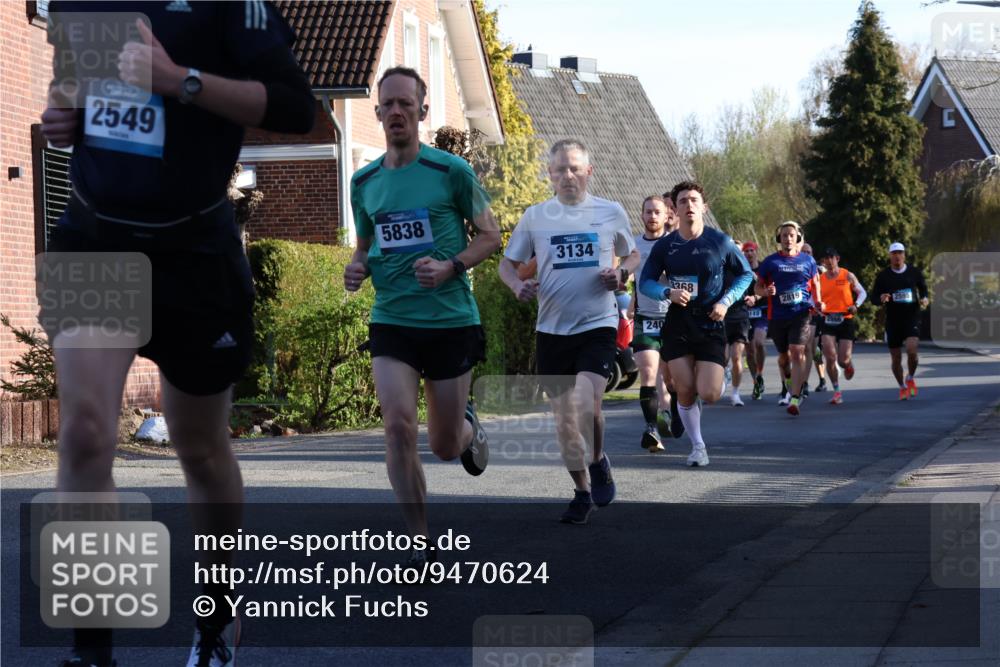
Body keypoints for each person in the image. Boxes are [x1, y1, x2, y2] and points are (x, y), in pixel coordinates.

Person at [39, 3, 315, 666]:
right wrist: (62, 116)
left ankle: (216, 614)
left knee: (199, 447)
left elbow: (294, 108)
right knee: (83, 431)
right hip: (96, 238)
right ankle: (92, 650)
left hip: (194, 252)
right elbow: (71, 87)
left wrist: (179, 79)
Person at [344, 67, 501, 559]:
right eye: (387, 104)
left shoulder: (450, 172)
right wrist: (356, 267)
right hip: (392, 319)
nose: (395, 112)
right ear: (377, 114)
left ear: (422, 113)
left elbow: (490, 235)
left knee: (445, 446)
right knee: (396, 425)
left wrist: (452, 265)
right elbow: (366, 247)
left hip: (450, 320)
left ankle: (469, 430)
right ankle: (417, 538)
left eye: (405, 105)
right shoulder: (364, 181)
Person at [499, 139, 639, 523]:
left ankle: (597, 459)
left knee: (584, 403)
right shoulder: (536, 217)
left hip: (597, 324)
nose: (568, 175)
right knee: (563, 420)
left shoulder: (609, 212)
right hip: (551, 329)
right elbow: (506, 265)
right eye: (560, 169)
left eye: (575, 168)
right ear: (550, 174)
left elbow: (633, 253)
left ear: (588, 172)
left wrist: (621, 273)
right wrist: (517, 286)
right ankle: (581, 491)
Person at [639, 181, 753, 467]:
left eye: (693, 200)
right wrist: (667, 292)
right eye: (682, 201)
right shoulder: (666, 246)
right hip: (678, 322)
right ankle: (698, 447)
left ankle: (721, 374)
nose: (688, 205)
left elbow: (745, 275)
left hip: (711, 322)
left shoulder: (720, 242)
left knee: (710, 394)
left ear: (703, 207)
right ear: (673, 209)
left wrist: (726, 302)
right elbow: (646, 282)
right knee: (685, 388)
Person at [755, 222, 823, 416]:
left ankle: (795, 398)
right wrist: (766, 292)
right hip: (777, 316)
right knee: (784, 358)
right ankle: (788, 379)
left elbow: (816, 282)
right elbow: (757, 288)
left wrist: (818, 302)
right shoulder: (770, 262)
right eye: (784, 235)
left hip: (801, 313)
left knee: (797, 351)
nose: (788, 238)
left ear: (798, 238)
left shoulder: (807, 261)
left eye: (791, 235)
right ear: (780, 239)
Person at [630, 195, 680, 452]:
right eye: (647, 212)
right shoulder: (634, 246)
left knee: (672, 380)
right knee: (649, 372)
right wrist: (629, 303)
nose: (652, 216)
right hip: (646, 317)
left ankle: (671, 412)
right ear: (642, 215)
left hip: (673, 317)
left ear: (665, 216)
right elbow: (630, 279)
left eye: (656, 212)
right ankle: (651, 429)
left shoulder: (674, 244)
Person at [872, 242, 929, 400]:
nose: (897, 256)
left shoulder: (913, 272)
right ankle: (902, 386)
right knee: (896, 358)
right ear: (890, 256)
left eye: (900, 253)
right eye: (894, 253)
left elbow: (923, 288)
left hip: (911, 317)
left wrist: (924, 298)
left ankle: (910, 377)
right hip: (893, 320)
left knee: (912, 350)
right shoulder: (883, 276)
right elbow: (874, 297)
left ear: (904, 255)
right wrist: (881, 298)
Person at [818, 248, 867, 404]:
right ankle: (837, 391)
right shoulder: (820, 279)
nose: (829, 261)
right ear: (823, 261)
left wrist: (856, 305)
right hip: (828, 320)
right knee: (830, 357)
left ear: (837, 259)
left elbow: (862, 293)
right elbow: (813, 297)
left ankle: (848, 364)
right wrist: (818, 307)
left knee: (842, 361)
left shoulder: (847, 275)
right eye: (826, 258)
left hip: (845, 319)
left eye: (831, 257)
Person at [723, 242, 757, 406]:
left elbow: (759, 290)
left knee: (736, 357)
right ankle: (723, 377)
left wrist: (754, 298)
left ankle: (735, 393)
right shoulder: (717, 268)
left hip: (740, 317)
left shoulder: (744, 270)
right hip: (720, 317)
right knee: (721, 358)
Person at [741, 241, 769, 400]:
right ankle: (756, 381)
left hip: (762, 311)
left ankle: (759, 373)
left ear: (756, 252)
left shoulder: (763, 268)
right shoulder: (741, 269)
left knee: (759, 342)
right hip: (745, 313)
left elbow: (768, 290)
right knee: (749, 351)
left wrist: (756, 297)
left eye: (751, 251)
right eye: (746, 251)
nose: (749, 254)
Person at [800, 242, 828, 396]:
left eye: (809, 252)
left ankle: (819, 378)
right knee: (808, 348)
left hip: (816, 314)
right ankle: (806, 382)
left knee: (813, 349)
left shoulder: (819, 271)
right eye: (803, 251)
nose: (806, 254)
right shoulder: (795, 268)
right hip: (801, 312)